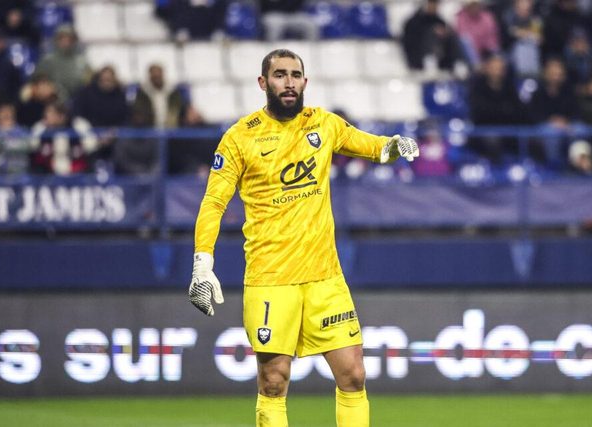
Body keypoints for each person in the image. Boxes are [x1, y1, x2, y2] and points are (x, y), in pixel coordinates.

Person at [187, 49, 419, 427]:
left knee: (354, 374)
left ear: (305, 82)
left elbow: (372, 146)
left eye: (296, 74)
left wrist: (391, 146)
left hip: (325, 277)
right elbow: (214, 201)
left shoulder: (323, 125)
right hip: (271, 278)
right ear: (263, 83)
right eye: (280, 75)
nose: (289, 82)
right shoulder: (239, 138)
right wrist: (202, 264)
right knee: (274, 381)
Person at [35, 24, 91, 100]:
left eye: (69, 39)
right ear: (56, 40)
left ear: (74, 41)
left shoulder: (82, 61)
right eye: (62, 39)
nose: (66, 42)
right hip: (53, 101)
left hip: (79, 101)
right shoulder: (47, 61)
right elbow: (37, 83)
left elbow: (89, 81)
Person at [130, 64, 187, 129]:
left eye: (158, 75)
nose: (157, 78)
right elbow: (138, 111)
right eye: (154, 76)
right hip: (149, 131)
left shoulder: (173, 92)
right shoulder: (142, 93)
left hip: (172, 131)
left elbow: (179, 109)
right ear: (150, 76)